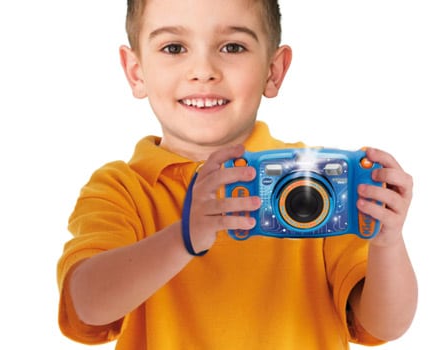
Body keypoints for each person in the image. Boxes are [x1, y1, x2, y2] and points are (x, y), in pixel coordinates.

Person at [57, 0, 418, 349]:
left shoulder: (316, 181)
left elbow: (385, 325)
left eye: (232, 46)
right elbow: (87, 306)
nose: (203, 70)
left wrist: (387, 243)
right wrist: (186, 235)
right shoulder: (121, 189)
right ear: (136, 73)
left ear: (273, 71)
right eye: (173, 47)